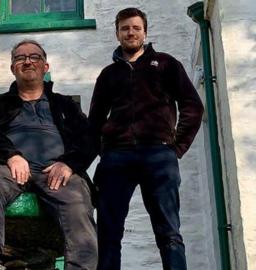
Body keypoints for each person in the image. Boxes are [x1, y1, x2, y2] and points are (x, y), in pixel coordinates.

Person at [87, 7, 204, 270]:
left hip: (158, 155)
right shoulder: (108, 75)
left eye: (136, 28)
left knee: (169, 232)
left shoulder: (165, 64)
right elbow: (94, 121)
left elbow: (192, 106)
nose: (131, 32)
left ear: (145, 32)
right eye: (125, 28)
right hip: (116, 157)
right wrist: (98, 156)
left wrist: (177, 148)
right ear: (117, 33)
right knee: (108, 233)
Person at [0, 39, 98, 270]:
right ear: (12, 68)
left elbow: (88, 139)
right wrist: (10, 155)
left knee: (78, 199)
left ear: (45, 67)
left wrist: (67, 163)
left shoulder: (64, 104)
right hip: (10, 170)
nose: (28, 61)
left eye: (34, 57)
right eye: (20, 58)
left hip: (55, 173)